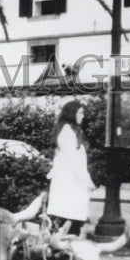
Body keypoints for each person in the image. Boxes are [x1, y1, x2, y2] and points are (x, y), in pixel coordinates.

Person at [46, 100, 96, 237]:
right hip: (69, 182)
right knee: (70, 217)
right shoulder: (67, 133)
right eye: (80, 113)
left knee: (71, 216)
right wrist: (87, 181)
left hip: (71, 181)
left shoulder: (70, 131)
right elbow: (74, 161)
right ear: (71, 114)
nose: (83, 116)